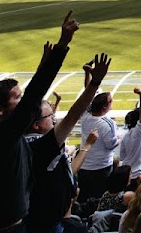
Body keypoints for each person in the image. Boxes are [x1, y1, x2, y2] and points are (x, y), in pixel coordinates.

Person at [0, 7, 77, 233]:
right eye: (17, 98)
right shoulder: (0, 140)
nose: (23, 100)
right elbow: (34, 95)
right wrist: (62, 45)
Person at [25, 54, 113, 233]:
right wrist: (95, 82)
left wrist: (86, 146)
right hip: (47, 225)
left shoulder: (27, 145)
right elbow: (73, 115)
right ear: (36, 125)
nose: (55, 119)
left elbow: (68, 170)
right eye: (50, 116)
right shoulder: (39, 147)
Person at [78, 79, 120, 200]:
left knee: (83, 198)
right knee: (98, 199)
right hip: (101, 168)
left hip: (83, 165)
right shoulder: (108, 123)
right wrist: (119, 138)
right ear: (105, 106)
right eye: (111, 101)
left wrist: (88, 75)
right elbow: (111, 145)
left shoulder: (86, 115)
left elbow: (88, 93)